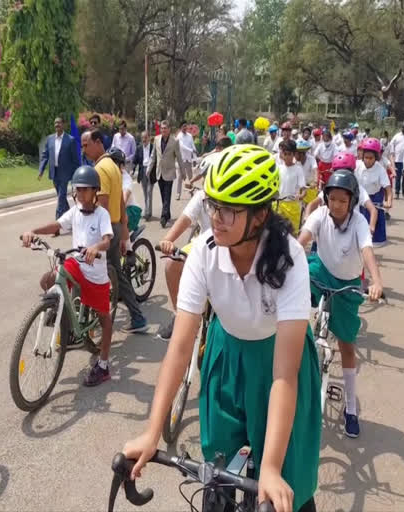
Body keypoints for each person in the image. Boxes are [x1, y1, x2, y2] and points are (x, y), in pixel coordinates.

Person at [123, 144, 321, 512]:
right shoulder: (204, 250)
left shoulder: (289, 257)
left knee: (283, 487)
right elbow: (180, 348)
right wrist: (153, 432)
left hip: (277, 363)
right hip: (227, 355)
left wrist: (273, 468)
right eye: (214, 206)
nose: (217, 218)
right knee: (217, 476)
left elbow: (284, 374)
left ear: (260, 214)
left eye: (230, 210)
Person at [297, 170, 384, 438]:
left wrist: (376, 281)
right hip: (321, 272)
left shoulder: (358, 222)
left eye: (342, 201)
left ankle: (350, 409)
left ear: (352, 201)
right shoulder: (321, 214)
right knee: (296, 307)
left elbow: (367, 250)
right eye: (331, 198)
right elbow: (303, 238)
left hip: (347, 286)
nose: (336, 205)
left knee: (347, 345)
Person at [20, 165, 114, 386]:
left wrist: (95, 248)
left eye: (85, 189)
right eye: (77, 189)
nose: (80, 193)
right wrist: (33, 232)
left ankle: (103, 365)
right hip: (76, 265)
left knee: (104, 317)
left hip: (95, 273)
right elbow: (56, 225)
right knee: (49, 279)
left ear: (95, 191)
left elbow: (107, 239)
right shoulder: (75, 211)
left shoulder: (102, 214)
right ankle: (61, 314)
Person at [82, 130, 148, 333]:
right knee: (113, 273)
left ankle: (134, 318)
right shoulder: (111, 165)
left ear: (98, 142)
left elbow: (101, 205)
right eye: (82, 146)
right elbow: (119, 199)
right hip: (116, 225)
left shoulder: (101, 169)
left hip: (106, 228)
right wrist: (124, 229)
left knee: (96, 271)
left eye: (86, 145)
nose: (83, 149)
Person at [155, 151, 222, 341]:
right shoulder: (201, 197)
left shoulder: (234, 200)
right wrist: (168, 240)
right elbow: (184, 220)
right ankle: (180, 315)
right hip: (204, 247)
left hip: (229, 251)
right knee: (171, 263)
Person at [303, 153, 378, 235]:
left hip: (350, 231)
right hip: (329, 230)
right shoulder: (331, 187)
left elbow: (373, 210)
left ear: (352, 172)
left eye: (345, 172)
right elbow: (312, 204)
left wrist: (371, 227)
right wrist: (307, 218)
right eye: (338, 172)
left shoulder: (357, 188)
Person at [39, 117, 81, 219]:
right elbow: (45, 155)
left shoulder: (70, 140)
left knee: (61, 197)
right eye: (55, 123)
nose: (56, 125)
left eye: (59, 123)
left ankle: (57, 224)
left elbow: (75, 159)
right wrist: (41, 170)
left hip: (65, 173)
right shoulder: (50, 139)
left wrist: (77, 175)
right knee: (61, 197)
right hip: (54, 172)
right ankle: (70, 218)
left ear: (63, 125)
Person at [147, 120, 184, 228]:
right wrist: (149, 168)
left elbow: (179, 157)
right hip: (159, 172)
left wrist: (183, 171)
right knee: (163, 195)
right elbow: (153, 155)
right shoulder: (156, 139)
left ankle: (163, 217)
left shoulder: (174, 141)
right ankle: (167, 214)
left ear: (169, 129)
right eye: (162, 128)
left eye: (165, 128)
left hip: (170, 172)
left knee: (167, 195)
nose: (163, 130)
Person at [355, 138, 391, 245]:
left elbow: (388, 188)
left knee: (372, 233)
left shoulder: (380, 169)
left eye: (371, 158)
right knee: (356, 232)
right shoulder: (356, 165)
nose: (368, 160)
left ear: (376, 158)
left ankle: (371, 255)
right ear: (362, 156)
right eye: (366, 157)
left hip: (374, 199)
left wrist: (389, 201)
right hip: (358, 201)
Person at [274, 140, 307, 235]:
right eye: (285, 154)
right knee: (278, 232)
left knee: (293, 233)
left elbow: (304, 190)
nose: (287, 156)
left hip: (293, 206)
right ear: (282, 154)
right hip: (279, 205)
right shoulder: (278, 168)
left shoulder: (298, 169)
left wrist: (300, 196)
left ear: (294, 154)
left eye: (290, 154)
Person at [133, 131, 153, 216]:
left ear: (149, 138)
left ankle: (147, 212)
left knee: (149, 191)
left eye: (145, 137)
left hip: (151, 171)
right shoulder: (139, 148)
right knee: (145, 192)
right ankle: (149, 210)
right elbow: (135, 160)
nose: (144, 139)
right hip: (142, 171)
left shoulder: (153, 147)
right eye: (142, 138)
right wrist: (133, 170)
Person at [388, 126, 404, 199]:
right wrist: (392, 153)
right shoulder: (397, 136)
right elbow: (392, 145)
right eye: (403, 128)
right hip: (398, 160)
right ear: (401, 128)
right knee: (397, 177)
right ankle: (397, 193)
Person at [176, 121, 197, 200]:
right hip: (181, 160)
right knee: (180, 178)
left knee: (191, 177)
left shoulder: (189, 136)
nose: (185, 128)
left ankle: (191, 192)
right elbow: (182, 146)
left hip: (188, 160)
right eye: (183, 126)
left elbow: (193, 145)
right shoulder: (179, 136)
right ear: (181, 127)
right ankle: (178, 194)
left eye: (186, 126)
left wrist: (195, 157)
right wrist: (192, 150)